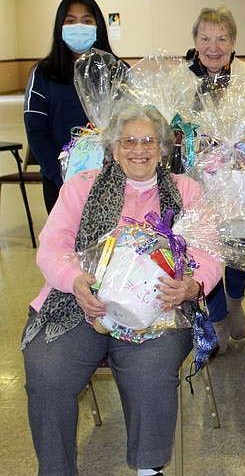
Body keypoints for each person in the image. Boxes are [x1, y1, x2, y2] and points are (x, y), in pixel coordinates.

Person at [21, 106, 223, 475]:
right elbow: (52, 248)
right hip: (79, 304)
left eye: (149, 141)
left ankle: (149, 469)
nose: (138, 149)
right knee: (48, 372)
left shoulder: (186, 191)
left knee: (150, 374)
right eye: (128, 140)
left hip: (161, 309)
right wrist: (75, 281)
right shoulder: (82, 186)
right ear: (113, 148)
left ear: (163, 149)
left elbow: (209, 252)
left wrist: (192, 285)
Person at [186, 6, 245, 355]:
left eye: (221, 38)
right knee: (208, 247)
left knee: (241, 244)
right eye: (205, 38)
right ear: (195, 41)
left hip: (239, 178)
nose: (213, 46)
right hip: (196, 180)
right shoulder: (180, 80)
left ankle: (235, 301)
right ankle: (217, 319)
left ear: (233, 42)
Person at [24, 0, 121, 213]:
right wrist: (60, 176)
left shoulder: (116, 70)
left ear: (98, 26)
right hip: (60, 184)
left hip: (113, 182)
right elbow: (36, 132)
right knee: (65, 245)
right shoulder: (43, 73)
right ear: (60, 26)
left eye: (87, 21)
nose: (79, 26)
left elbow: (132, 124)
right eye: (70, 21)